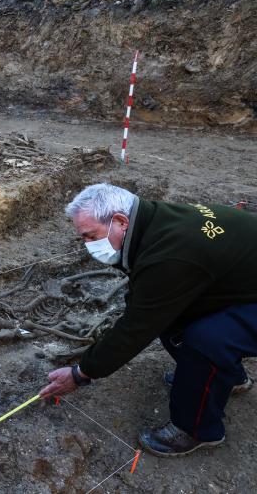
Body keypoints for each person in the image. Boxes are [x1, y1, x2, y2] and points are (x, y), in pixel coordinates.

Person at [38, 183, 257, 457]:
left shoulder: (170, 254)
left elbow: (137, 328)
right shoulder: (155, 220)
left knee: (205, 340)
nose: (88, 245)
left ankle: (197, 429)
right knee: (176, 318)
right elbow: (146, 298)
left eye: (90, 236)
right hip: (245, 284)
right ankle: (228, 378)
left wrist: (81, 373)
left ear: (120, 221)